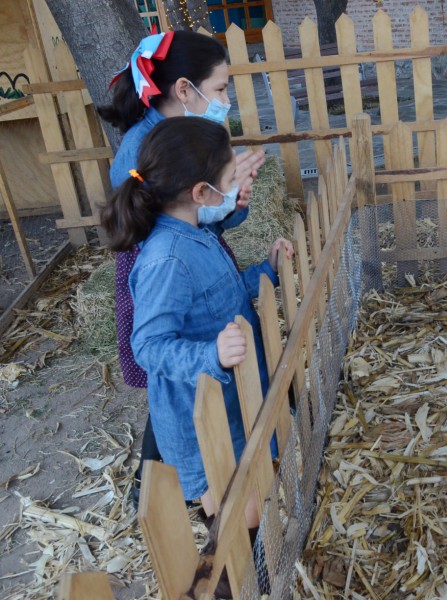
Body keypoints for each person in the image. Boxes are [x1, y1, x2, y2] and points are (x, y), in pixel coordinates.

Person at [99, 30, 265, 503]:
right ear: (185, 89)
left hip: (198, 259)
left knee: (190, 381)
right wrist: (222, 199)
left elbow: (205, 213)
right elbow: (162, 228)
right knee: (173, 384)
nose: (226, 99)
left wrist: (233, 198)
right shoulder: (139, 150)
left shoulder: (195, 133)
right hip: (171, 274)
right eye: (220, 89)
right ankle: (160, 482)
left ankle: (176, 474)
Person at [100, 115, 291, 520]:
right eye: (229, 180)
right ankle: (235, 579)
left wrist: (266, 272)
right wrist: (210, 356)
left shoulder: (196, 233)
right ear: (202, 193)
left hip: (234, 398)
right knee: (239, 514)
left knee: (256, 496)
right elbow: (148, 347)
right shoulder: (166, 259)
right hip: (203, 414)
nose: (235, 189)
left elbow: (217, 295)